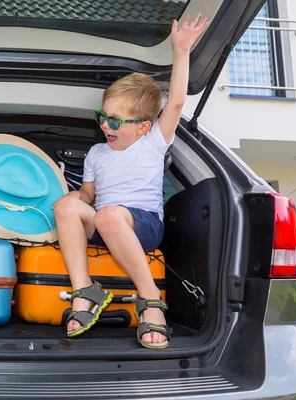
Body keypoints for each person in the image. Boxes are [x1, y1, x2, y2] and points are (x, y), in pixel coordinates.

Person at [53, 13, 209, 349]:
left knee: (109, 214)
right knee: (67, 204)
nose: (105, 126)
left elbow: (178, 101)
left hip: (144, 224)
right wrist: (59, 203)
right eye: (102, 117)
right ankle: (85, 291)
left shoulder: (153, 141)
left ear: (142, 126)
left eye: (114, 120)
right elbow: (87, 196)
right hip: (106, 220)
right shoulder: (96, 153)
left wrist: (181, 52)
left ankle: (151, 301)